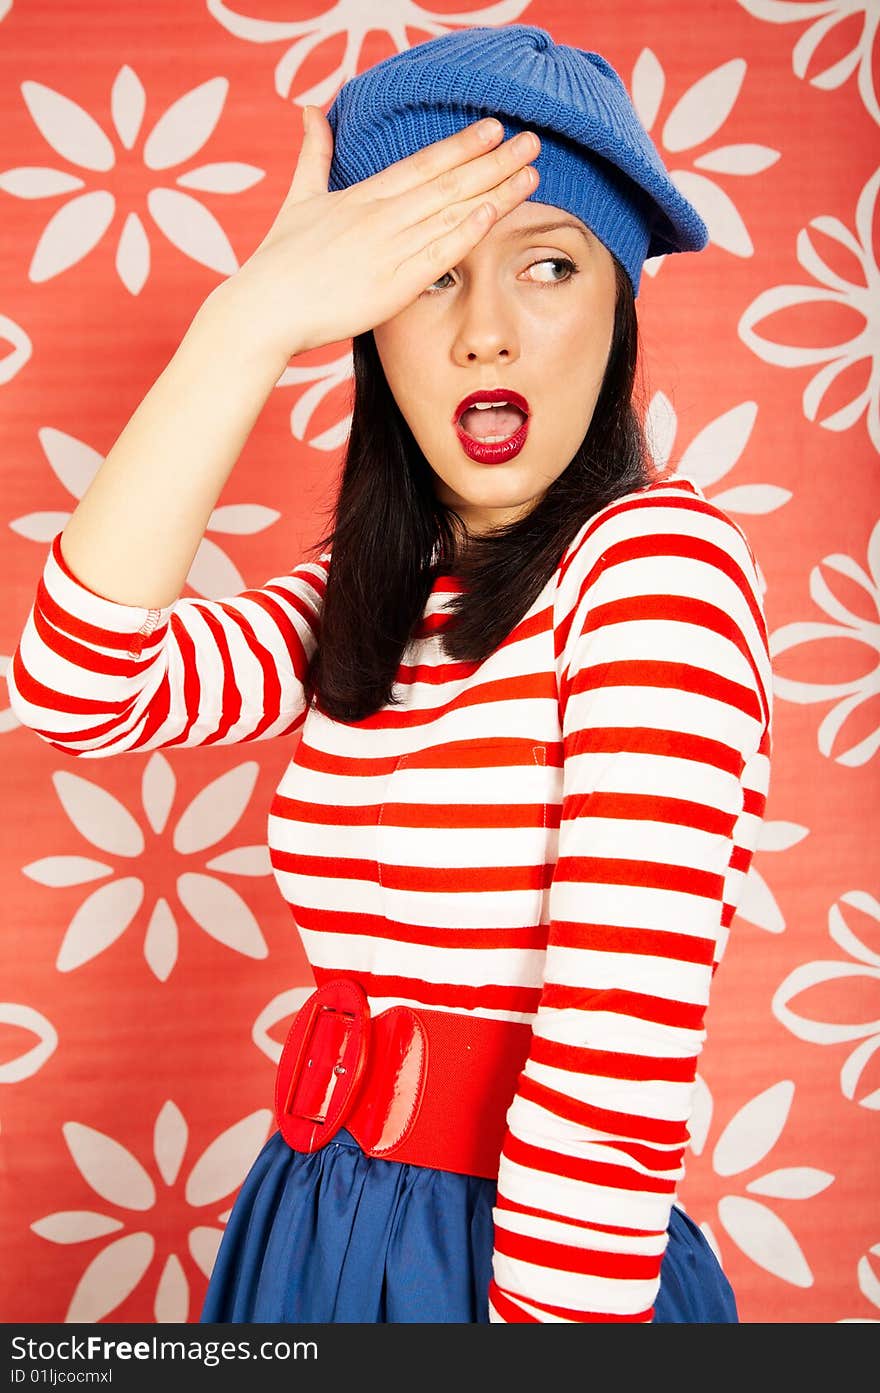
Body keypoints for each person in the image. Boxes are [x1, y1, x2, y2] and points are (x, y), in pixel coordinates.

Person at [7, 23, 772, 1323]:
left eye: (548, 265)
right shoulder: (376, 600)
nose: (487, 335)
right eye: (430, 278)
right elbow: (79, 684)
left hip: (522, 1264)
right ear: (366, 328)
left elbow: (612, 1068)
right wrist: (246, 322)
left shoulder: (656, 570)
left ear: (618, 310)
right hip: (306, 1228)